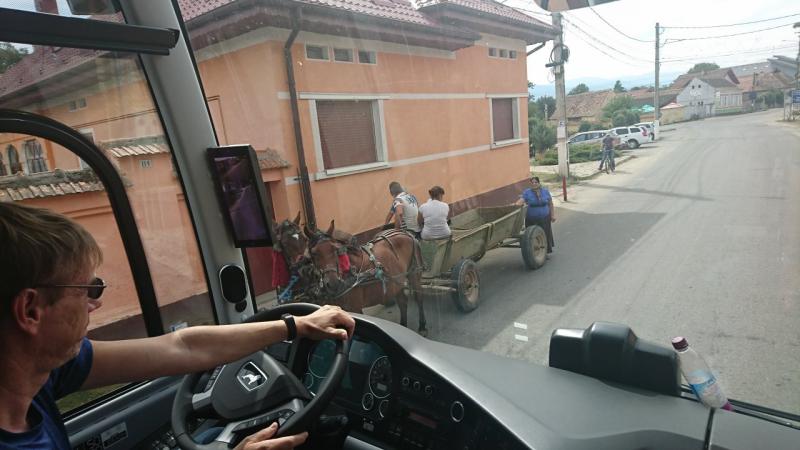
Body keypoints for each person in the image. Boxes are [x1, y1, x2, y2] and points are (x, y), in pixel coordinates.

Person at [0, 202, 356, 450]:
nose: (97, 303)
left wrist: (293, 326)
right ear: (30, 310)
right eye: (87, 289)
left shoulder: (43, 373)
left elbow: (182, 347)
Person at [515, 176, 555, 255]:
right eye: (532, 183)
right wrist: (515, 205)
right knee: (531, 236)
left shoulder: (545, 191)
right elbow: (521, 200)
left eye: (536, 182)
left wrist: (553, 215)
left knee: (544, 235)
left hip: (544, 218)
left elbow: (550, 204)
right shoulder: (527, 192)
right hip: (531, 219)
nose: (534, 184)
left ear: (539, 183)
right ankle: (534, 253)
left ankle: (544, 253)